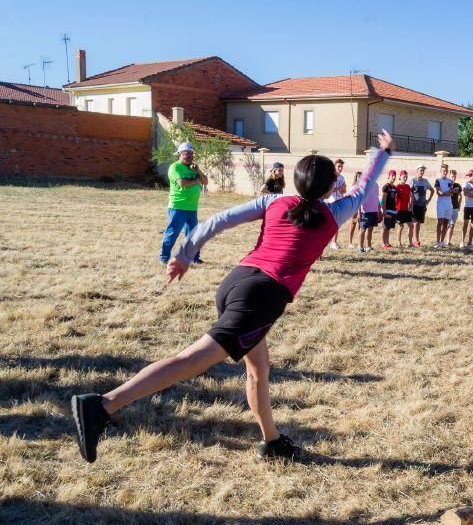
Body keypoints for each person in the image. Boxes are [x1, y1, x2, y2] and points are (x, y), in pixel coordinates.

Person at [71, 131, 394, 464]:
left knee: (258, 370)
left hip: (236, 283)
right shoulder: (335, 213)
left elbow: (220, 220)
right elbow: (365, 187)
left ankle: (272, 442)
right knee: (191, 361)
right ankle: (103, 405)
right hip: (261, 298)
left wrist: (185, 252)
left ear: (297, 181)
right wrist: (383, 154)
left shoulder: (274, 201)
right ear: (330, 187)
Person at [160, 142, 208, 265]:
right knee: (172, 233)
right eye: (186, 153)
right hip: (178, 206)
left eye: (191, 153)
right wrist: (197, 179)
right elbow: (183, 183)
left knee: (193, 235)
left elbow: (205, 181)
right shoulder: (175, 167)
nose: (189, 156)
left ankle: (194, 258)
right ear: (179, 154)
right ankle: (164, 258)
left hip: (192, 208)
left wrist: (198, 170)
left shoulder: (193, 168)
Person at [357, 170, 381, 253]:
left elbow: (377, 197)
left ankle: (368, 246)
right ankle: (360, 247)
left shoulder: (376, 185)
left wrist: (379, 210)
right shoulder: (363, 185)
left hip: (374, 211)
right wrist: (359, 213)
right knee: (363, 229)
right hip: (365, 212)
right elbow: (360, 200)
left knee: (370, 229)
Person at [326, 159, 347, 250]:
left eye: (341, 166)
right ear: (334, 166)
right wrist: (339, 188)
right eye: (339, 166)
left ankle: (334, 242)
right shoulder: (330, 177)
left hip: (339, 201)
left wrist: (343, 189)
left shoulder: (342, 178)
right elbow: (329, 191)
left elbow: (343, 191)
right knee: (331, 224)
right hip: (331, 202)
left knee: (337, 224)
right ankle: (330, 242)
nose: (340, 168)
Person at [410, 166, 433, 247]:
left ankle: (416, 239)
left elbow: (432, 190)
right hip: (414, 205)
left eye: (423, 171)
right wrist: (410, 204)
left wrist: (428, 200)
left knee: (418, 223)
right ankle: (415, 240)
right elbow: (409, 192)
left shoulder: (425, 181)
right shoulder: (413, 181)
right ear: (417, 171)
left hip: (422, 205)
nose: (422, 172)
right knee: (415, 224)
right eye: (420, 170)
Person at [433, 164, 453, 248]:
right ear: (440, 171)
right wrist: (445, 193)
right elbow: (438, 192)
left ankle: (441, 242)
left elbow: (451, 192)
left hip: (449, 204)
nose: (445, 172)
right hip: (441, 204)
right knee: (440, 222)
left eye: (446, 171)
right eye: (443, 171)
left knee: (445, 223)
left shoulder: (450, 181)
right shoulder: (438, 180)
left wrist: (445, 193)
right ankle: (437, 242)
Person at [461, 169, 473, 249]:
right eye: (470, 175)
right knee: (465, 224)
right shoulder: (466, 183)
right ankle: (462, 241)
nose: (471, 176)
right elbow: (465, 193)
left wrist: (470, 194)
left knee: (472, 225)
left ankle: (470, 242)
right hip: (467, 206)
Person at [381, 170, 399, 249]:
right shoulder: (386, 187)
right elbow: (383, 199)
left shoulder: (395, 188)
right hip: (387, 210)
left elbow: (395, 199)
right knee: (385, 228)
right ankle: (383, 243)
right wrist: (384, 210)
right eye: (392, 176)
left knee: (389, 228)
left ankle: (387, 242)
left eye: (395, 176)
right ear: (388, 176)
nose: (394, 177)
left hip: (393, 210)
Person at [395, 170, 414, 247]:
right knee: (401, 226)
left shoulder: (408, 186)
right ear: (400, 177)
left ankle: (410, 243)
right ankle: (399, 243)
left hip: (406, 209)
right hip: (399, 210)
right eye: (404, 177)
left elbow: (411, 197)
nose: (405, 178)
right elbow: (394, 199)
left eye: (406, 177)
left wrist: (411, 206)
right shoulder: (397, 187)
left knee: (411, 226)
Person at [446, 169, 463, 247]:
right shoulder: (446, 184)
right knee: (447, 224)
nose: (453, 178)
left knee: (452, 224)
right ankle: (443, 240)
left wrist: (459, 204)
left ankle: (448, 241)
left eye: (454, 177)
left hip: (455, 207)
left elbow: (460, 196)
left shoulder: (457, 185)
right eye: (452, 176)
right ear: (449, 176)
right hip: (448, 207)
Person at [346, 171, 363, 246]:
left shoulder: (363, 187)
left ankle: (360, 242)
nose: (359, 178)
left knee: (360, 225)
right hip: (354, 209)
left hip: (362, 208)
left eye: (361, 177)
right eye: (358, 177)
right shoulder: (353, 187)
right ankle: (350, 242)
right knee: (353, 224)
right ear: (356, 178)